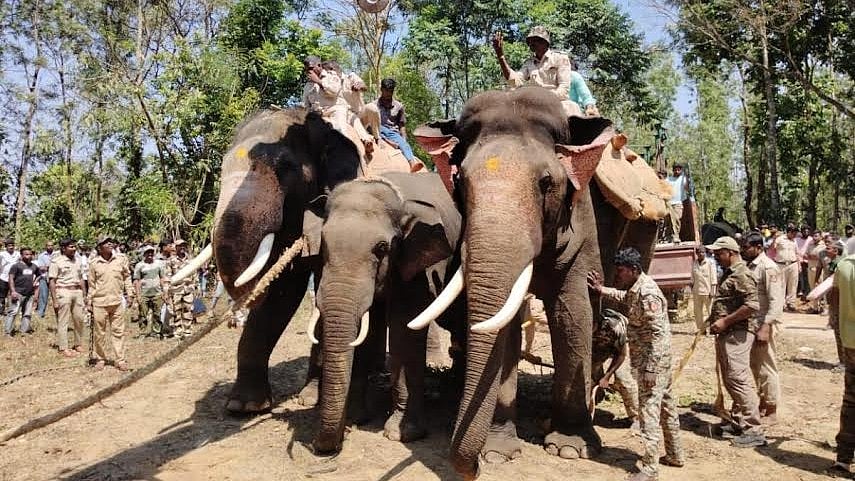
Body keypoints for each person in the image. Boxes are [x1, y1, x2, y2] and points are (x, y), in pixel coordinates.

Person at [587, 248, 683, 481]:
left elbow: (658, 335)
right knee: (667, 405)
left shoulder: (648, 294)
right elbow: (625, 298)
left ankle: (650, 469)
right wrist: (602, 290)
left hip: (652, 362)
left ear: (634, 270)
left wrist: (650, 368)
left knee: (648, 411)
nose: (618, 275)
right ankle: (674, 454)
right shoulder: (636, 288)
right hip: (654, 360)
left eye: (621, 271)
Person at [705, 236, 766, 447]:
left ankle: (753, 428)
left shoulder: (742, 274)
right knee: (731, 378)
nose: (715, 257)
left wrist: (724, 321)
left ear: (730, 253)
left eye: (718, 253)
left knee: (738, 379)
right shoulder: (729, 273)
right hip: (728, 333)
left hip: (737, 333)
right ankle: (738, 421)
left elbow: (752, 305)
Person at [742, 231, 785, 424]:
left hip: (763, 324)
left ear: (758, 248)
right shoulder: (750, 266)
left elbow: (776, 300)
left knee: (767, 366)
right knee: (756, 366)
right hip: (752, 323)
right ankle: (763, 401)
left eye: (747, 247)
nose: (744, 250)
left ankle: (772, 408)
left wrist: (766, 325)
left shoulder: (768, 268)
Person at [492, 26, 577, 116]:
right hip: (533, 105)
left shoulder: (560, 58)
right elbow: (515, 82)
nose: (531, 43)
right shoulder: (528, 63)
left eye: (535, 40)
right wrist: (501, 56)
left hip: (557, 102)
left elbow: (564, 89)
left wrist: (542, 98)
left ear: (545, 42)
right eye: (530, 41)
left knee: (571, 109)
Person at [302, 56, 374, 155]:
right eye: (306, 69)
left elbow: (334, 91)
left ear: (319, 66)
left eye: (311, 68)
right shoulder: (307, 86)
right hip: (318, 114)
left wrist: (318, 82)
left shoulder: (332, 76)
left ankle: (348, 147)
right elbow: (306, 104)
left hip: (337, 110)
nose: (309, 72)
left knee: (343, 122)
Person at [86, 236, 135, 371]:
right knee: (99, 333)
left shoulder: (121, 259)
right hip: (99, 302)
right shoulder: (94, 263)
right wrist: (89, 301)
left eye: (111, 242)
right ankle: (100, 359)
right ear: (99, 247)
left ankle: (120, 359)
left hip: (117, 301)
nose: (109, 244)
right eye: (105, 243)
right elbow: (91, 284)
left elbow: (127, 276)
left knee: (118, 331)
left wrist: (130, 293)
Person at [828, 249, 855, 478]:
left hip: (851, 344)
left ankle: (844, 458)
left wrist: (840, 328)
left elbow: (833, 299)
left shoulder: (844, 266)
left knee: (851, 401)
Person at [590, 308, 640, 430]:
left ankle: (637, 418)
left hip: (621, 346)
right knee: (589, 378)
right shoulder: (582, 329)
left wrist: (607, 376)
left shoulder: (614, 327)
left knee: (624, 379)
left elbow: (621, 355)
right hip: (600, 348)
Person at [374, 78, 424, 172]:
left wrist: (404, 140)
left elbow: (402, 125)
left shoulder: (399, 106)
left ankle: (412, 163)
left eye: (391, 91)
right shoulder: (374, 105)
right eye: (386, 91)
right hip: (378, 130)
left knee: (404, 144)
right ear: (381, 89)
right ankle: (386, 141)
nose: (388, 94)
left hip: (393, 132)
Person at [49, 238, 87, 357]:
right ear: (63, 248)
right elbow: (52, 281)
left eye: (74, 246)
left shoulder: (78, 261)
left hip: (77, 291)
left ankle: (78, 344)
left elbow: (81, 278)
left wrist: (84, 294)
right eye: (71, 247)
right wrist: (54, 300)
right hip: (63, 291)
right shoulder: (57, 262)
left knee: (79, 319)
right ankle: (63, 347)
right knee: (63, 321)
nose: (74, 249)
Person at [133, 246, 169, 338]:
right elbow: (136, 281)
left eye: (151, 252)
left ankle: (156, 332)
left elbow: (162, 278)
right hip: (144, 294)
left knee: (157, 314)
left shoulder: (159, 264)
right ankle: (142, 332)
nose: (150, 254)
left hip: (157, 293)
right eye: (148, 252)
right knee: (143, 315)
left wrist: (164, 292)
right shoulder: (139, 266)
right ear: (144, 254)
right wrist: (138, 295)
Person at [165, 239, 197, 339]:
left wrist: (196, 286)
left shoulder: (190, 260)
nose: (182, 247)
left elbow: (194, 274)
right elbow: (167, 276)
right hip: (176, 289)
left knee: (188, 310)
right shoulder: (171, 261)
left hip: (188, 289)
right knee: (176, 312)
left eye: (184, 245)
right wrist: (166, 291)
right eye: (180, 246)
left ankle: (188, 331)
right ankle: (178, 332)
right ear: (176, 247)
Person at [4, 247, 39, 336]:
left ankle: (24, 331)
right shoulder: (16, 266)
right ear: (21, 255)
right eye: (26, 254)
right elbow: (11, 278)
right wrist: (13, 291)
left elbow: (39, 275)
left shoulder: (34, 266)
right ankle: (8, 332)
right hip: (18, 293)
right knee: (13, 312)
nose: (29, 256)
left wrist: (35, 282)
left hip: (29, 294)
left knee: (27, 313)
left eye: (31, 254)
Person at [827, 240, 846, 367]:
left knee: (839, 332)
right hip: (842, 301)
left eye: (829, 248)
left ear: (835, 251)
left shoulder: (837, 264)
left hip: (838, 302)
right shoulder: (842, 263)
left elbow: (834, 287)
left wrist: (831, 305)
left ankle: (843, 361)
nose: (826, 250)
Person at [773, 224, 799, 311]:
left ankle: (791, 303)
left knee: (793, 284)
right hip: (781, 264)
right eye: (794, 233)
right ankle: (782, 303)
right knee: (781, 284)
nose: (795, 235)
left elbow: (797, 253)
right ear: (789, 232)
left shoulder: (794, 241)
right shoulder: (780, 239)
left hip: (793, 264)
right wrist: (774, 239)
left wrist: (798, 265)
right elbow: (773, 248)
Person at [691, 246, 717, 334]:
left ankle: (712, 328)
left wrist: (713, 290)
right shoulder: (694, 263)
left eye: (703, 252)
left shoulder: (710, 263)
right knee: (698, 312)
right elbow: (693, 277)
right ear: (697, 254)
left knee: (710, 311)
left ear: (705, 253)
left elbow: (714, 278)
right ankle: (701, 330)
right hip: (697, 291)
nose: (701, 254)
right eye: (699, 252)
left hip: (707, 291)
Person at [666, 164, 689, 243]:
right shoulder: (668, 179)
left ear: (681, 171)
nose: (677, 171)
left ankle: (675, 235)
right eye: (675, 170)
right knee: (670, 220)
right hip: (669, 202)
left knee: (677, 218)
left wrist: (687, 176)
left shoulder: (683, 179)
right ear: (673, 170)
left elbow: (686, 188)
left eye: (679, 170)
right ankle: (674, 237)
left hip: (678, 202)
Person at [0, 240, 20, 313]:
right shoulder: (2, 255)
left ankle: (13, 310)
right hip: (3, 278)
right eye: (9, 246)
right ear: (6, 247)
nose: (11, 247)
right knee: (2, 296)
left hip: (15, 278)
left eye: (12, 245)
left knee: (14, 294)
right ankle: (1, 311)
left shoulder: (18, 254)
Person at [36, 241, 55, 318]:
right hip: (44, 278)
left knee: (57, 296)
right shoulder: (41, 256)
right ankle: (40, 313)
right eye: (48, 245)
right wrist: (51, 267)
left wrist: (47, 267)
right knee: (43, 296)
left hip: (55, 278)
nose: (50, 247)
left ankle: (58, 313)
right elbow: (41, 268)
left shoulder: (57, 254)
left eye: (51, 245)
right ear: (45, 246)